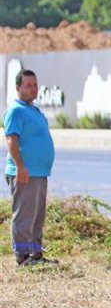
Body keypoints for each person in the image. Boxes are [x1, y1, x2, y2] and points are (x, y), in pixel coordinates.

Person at [4, 69, 57, 266]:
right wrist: (20, 167)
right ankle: (22, 257)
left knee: (37, 217)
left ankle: (36, 255)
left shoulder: (33, 110)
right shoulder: (16, 110)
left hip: (39, 172)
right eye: (28, 85)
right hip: (25, 172)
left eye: (35, 85)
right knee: (24, 216)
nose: (33, 89)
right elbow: (11, 139)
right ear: (18, 88)